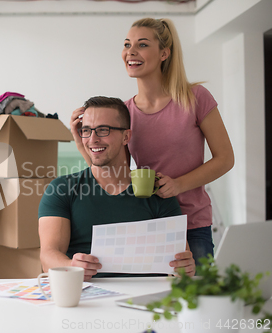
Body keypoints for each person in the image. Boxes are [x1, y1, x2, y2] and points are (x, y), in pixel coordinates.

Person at [70, 18, 234, 266]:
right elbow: (114, 173)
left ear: (164, 53)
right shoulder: (124, 113)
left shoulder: (195, 98)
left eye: (142, 45)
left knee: (197, 299)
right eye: (127, 44)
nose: (130, 52)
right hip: (146, 225)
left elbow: (225, 159)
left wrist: (178, 185)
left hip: (192, 222)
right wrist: (80, 141)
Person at [39, 96, 195, 281]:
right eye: (86, 131)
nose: (93, 139)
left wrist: (186, 265)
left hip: (146, 298)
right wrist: (71, 266)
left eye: (103, 130)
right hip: (89, 295)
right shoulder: (62, 188)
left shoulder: (156, 191)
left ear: (126, 136)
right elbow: (48, 256)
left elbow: (181, 257)